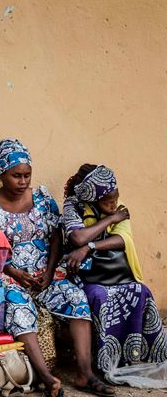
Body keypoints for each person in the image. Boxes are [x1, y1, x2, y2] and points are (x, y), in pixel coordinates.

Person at [0, 139, 113, 397]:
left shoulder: (42, 199)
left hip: (47, 273)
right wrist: (13, 272)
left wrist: (49, 273)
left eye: (27, 175)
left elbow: (55, 237)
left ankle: (85, 372)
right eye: (16, 176)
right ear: (1, 174)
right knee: (18, 310)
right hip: (11, 277)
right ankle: (47, 377)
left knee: (76, 298)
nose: (23, 181)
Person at [62, 164, 167, 385]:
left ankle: (136, 357)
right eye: (107, 201)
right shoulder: (74, 206)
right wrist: (110, 220)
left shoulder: (121, 209)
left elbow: (122, 240)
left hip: (117, 274)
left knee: (140, 291)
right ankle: (105, 362)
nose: (114, 205)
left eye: (115, 199)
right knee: (100, 296)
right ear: (93, 198)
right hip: (85, 277)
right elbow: (77, 238)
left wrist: (90, 247)